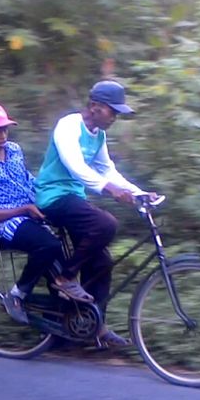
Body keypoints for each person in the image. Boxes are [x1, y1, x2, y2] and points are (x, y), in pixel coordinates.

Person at [34, 80, 156, 348]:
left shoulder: (98, 135)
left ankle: (92, 327)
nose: (114, 117)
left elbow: (108, 169)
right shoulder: (68, 126)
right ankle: (65, 278)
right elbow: (76, 167)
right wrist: (109, 189)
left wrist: (139, 193)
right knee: (106, 224)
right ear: (94, 106)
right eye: (112, 111)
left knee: (101, 262)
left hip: (73, 198)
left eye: (116, 113)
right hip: (51, 197)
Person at [0, 103, 91, 324]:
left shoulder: (14, 150)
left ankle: (65, 320)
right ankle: (17, 294)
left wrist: (52, 194)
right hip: (4, 222)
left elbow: (27, 180)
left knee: (68, 252)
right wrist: (23, 209)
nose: (2, 135)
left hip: (30, 210)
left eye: (5, 129)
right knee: (49, 245)